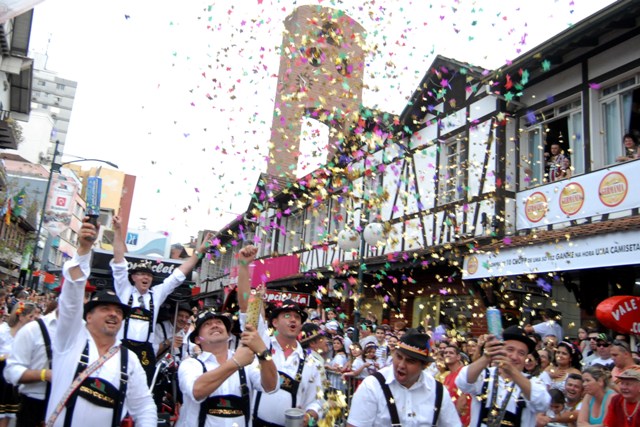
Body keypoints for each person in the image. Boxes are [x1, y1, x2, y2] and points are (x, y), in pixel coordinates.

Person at [46, 219, 156, 427]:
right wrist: (84, 249)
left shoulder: (129, 360)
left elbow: (144, 406)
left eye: (118, 311)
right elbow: (72, 293)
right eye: (105, 309)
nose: (113, 314)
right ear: (87, 316)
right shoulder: (71, 340)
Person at [110, 215, 211, 383]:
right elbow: (119, 261)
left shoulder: (156, 294)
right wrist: (118, 230)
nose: (146, 278)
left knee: (142, 388)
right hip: (122, 347)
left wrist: (200, 251)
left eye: (149, 275)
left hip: (145, 351)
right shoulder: (124, 290)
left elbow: (179, 274)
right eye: (142, 274)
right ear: (133, 277)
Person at [235, 245, 325, 427]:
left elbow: (319, 400)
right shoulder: (262, 342)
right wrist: (244, 266)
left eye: (297, 317)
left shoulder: (312, 361)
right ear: (274, 322)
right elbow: (245, 306)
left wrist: (310, 415)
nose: (293, 320)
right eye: (287, 315)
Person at [176, 308, 278, 427]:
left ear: (228, 335)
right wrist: (236, 362)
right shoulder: (191, 364)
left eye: (219, 322)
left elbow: (272, 386)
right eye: (207, 324)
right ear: (198, 339)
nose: (214, 325)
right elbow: (197, 391)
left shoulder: (247, 363)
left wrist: (263, 352)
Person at [347, 329, 461, 427]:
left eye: (410, 361)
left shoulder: (438, 391)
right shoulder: (372, 386)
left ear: (424, 366)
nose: (401, 365)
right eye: (399, 357)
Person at [456, 326, 551, 427]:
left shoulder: (533, 382)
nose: (514, 357)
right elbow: (462, 382)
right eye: (510, 350)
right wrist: (487, 357)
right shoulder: (484, 374)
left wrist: (512, 371)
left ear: (526, 358)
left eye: (521, 353)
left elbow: (543, 403)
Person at [0, 302, 38, 427]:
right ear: (20, 316)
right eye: (30, 317)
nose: (33, 320)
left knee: (7, 414)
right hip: (0, 375)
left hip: (12, 382)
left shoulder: (29, 335)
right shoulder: (3, 331)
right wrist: (4, 357)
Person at [443, 344, 471, 426]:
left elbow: (463, 399)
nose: (447, 354)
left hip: (462, 421)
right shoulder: (447, 376)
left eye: (451, 353)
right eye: (445, 353)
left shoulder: (464, 373)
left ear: (458, 357)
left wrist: (453, 419)